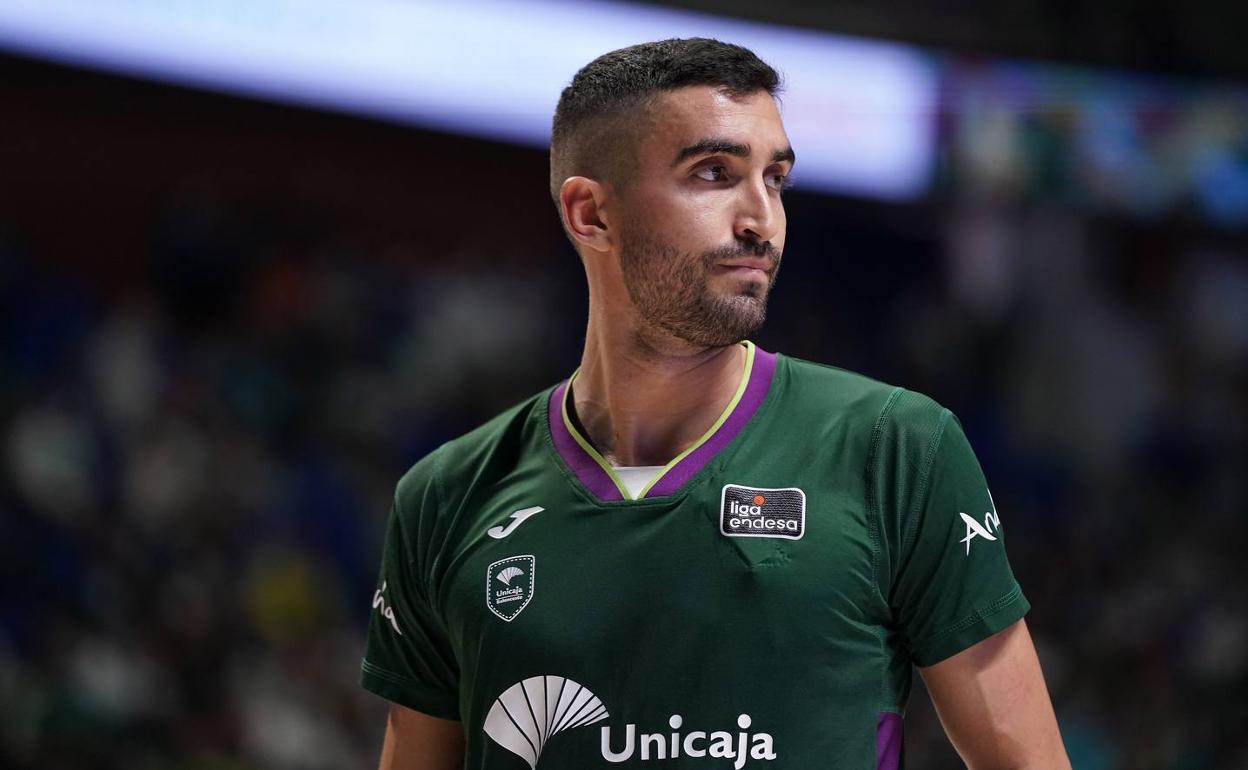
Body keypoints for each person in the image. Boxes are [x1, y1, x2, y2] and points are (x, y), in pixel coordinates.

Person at [361, 38, 1070, 769]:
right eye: (714, 174)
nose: (761, 220)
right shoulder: (445, 496)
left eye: (776, 179)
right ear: (591, 215)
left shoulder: (897, 447)